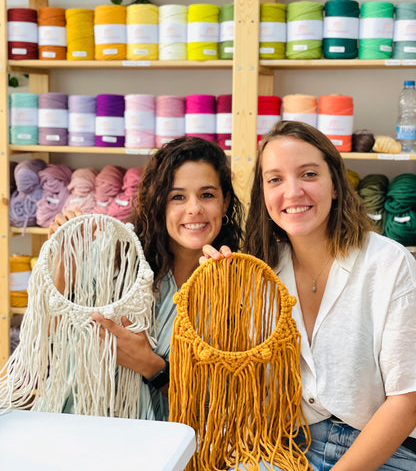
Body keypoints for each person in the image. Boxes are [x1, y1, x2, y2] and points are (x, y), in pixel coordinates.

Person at [203, 120, 416, 471]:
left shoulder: (390, 264)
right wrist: (225, 301)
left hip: (383, 450)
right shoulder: (259, 271)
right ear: (263, 195)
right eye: (275, 179)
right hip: (286, 445)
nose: (292, 192)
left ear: (335, 185)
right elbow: (242, 387)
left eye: (308, 175)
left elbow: (406, 402)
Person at [48, 135, 244, 420]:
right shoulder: (114, 254)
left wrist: (152, 367)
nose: (194, 209)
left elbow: (228, 404)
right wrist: (67, 262)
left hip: (176, 444)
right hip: (86, 425)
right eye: (177, 196)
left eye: (207, 195)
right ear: (158, 203)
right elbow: (52, 339)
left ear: (225, 202)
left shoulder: (237, 282)